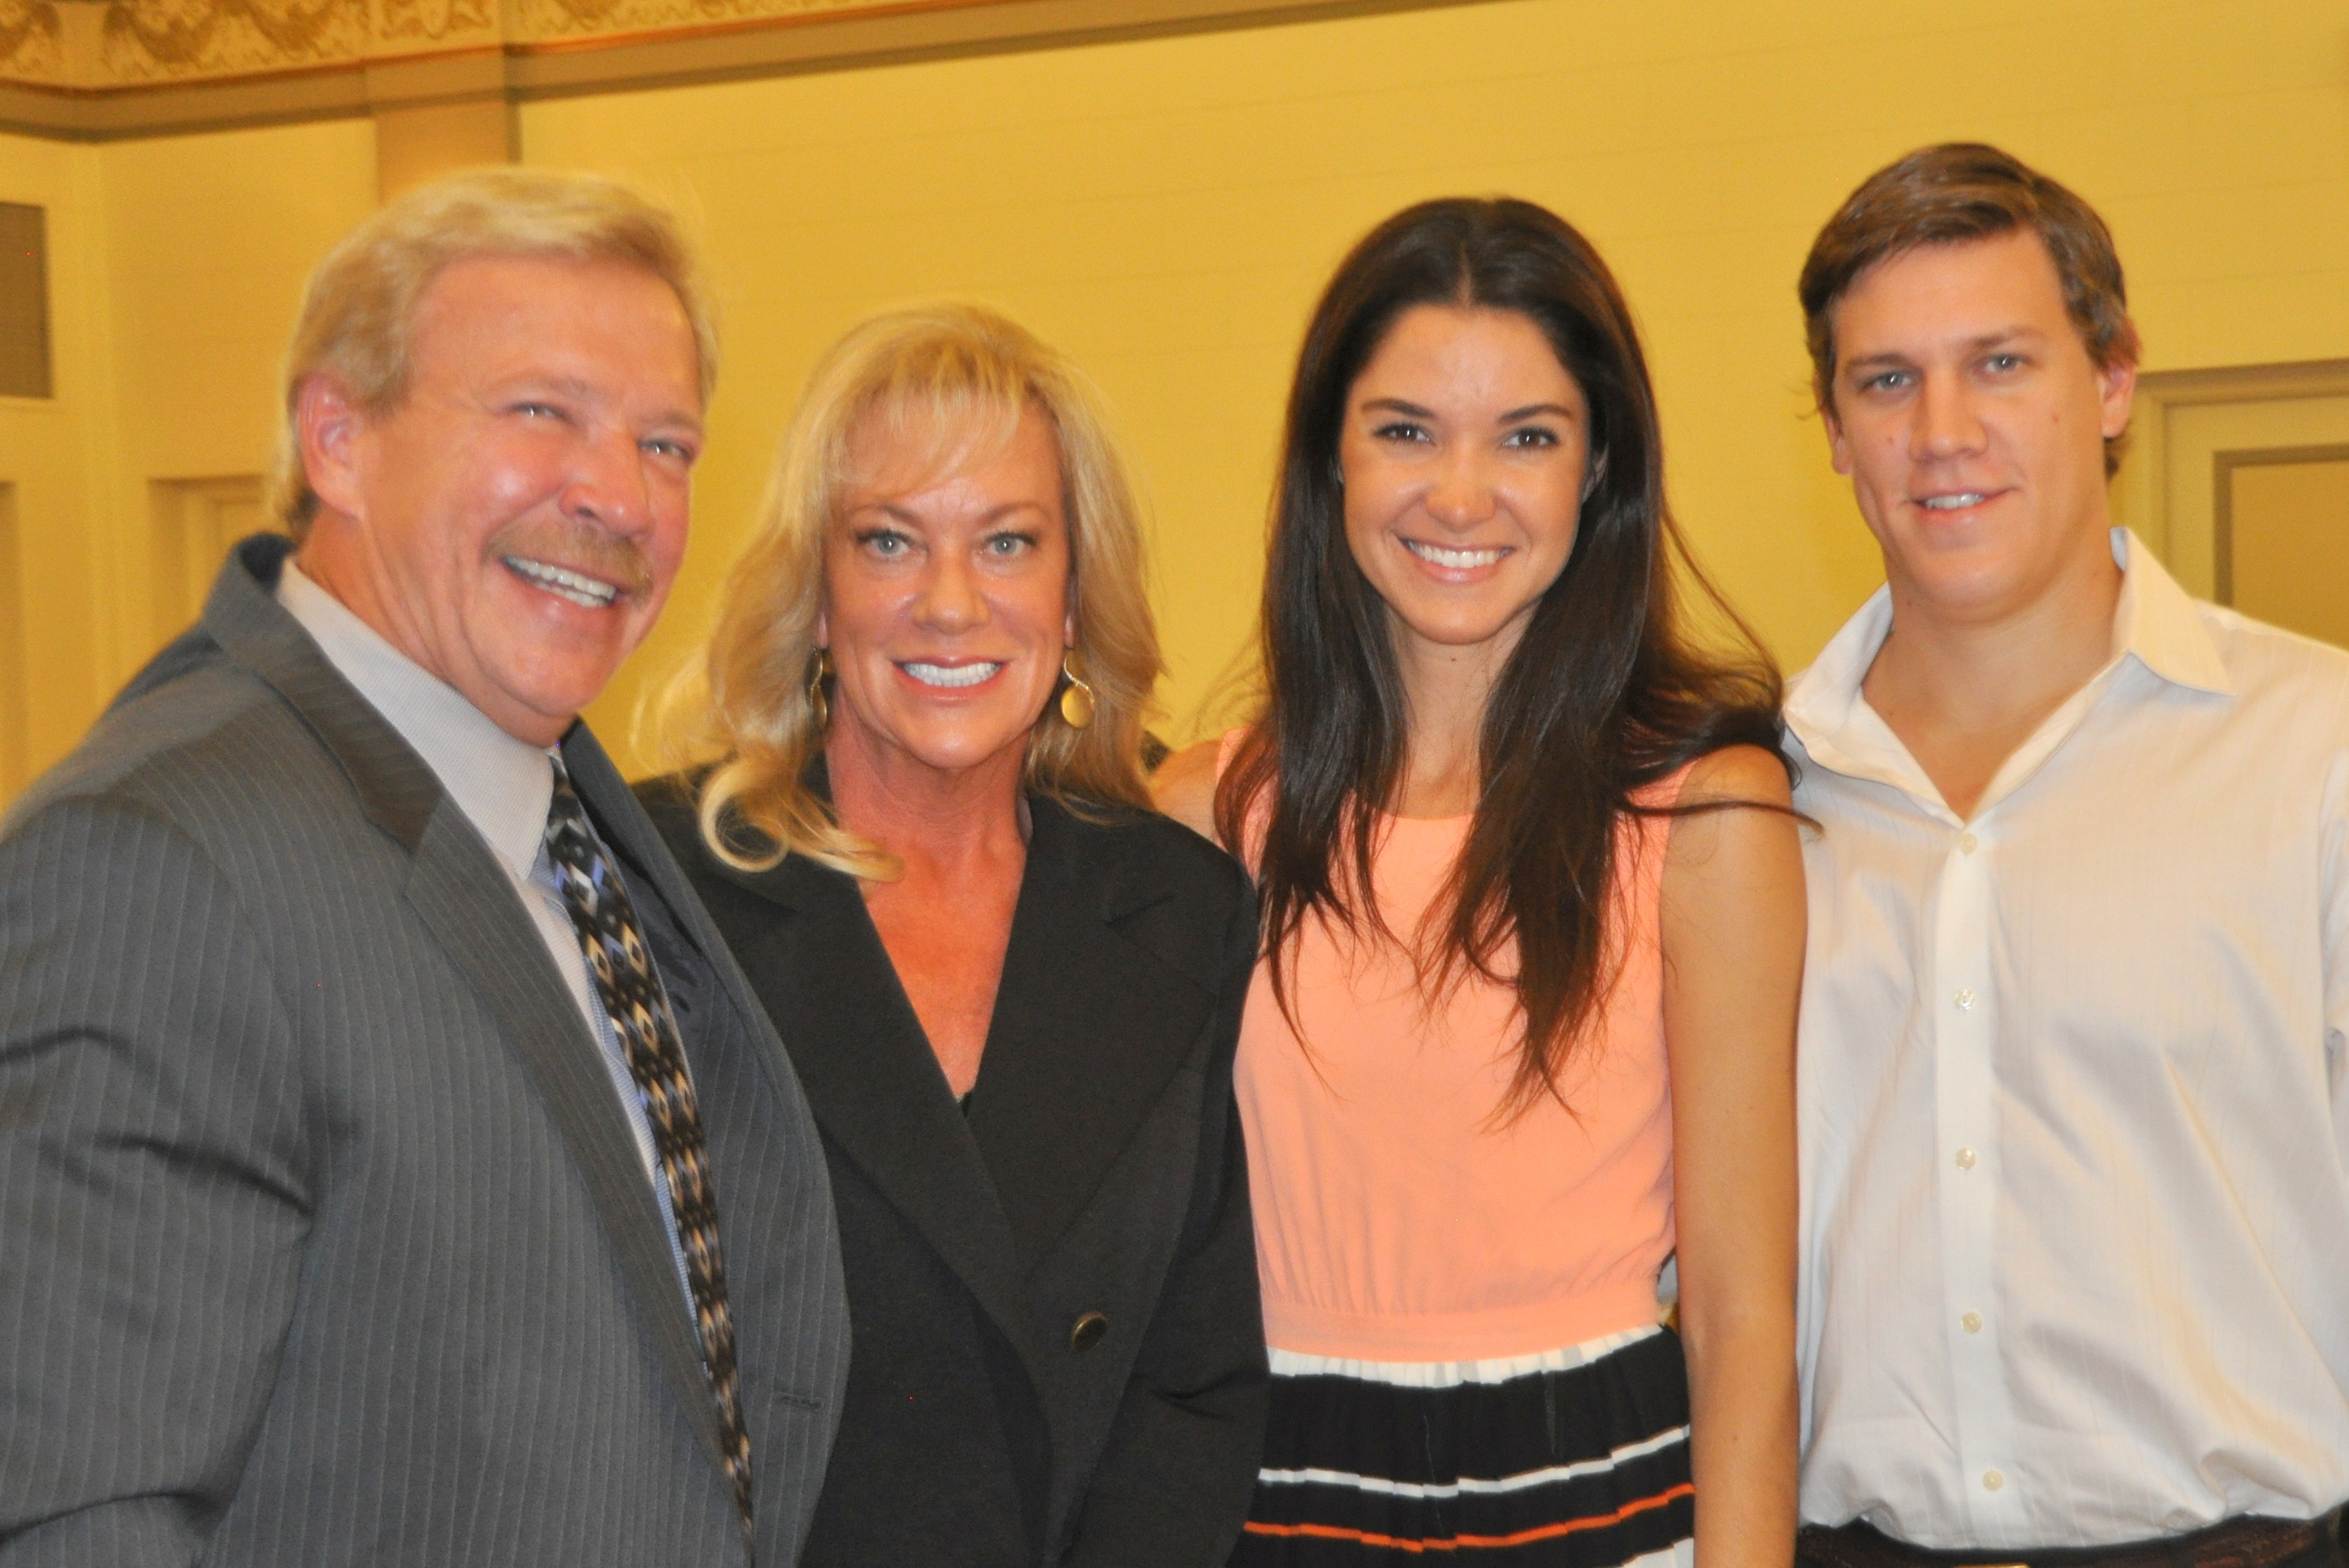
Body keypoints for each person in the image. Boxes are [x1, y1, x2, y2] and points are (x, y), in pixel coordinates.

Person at [0, 169, 848, 1566]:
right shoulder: (157, 858)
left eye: (665, 444)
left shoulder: (570, 825)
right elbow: (79, 1513)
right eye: (541, 412)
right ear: (338, 440)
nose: (619, 495)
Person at [1156, 197, 1803, 1567]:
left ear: (1599, 466)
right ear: (1328, 457)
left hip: (1601, 1499)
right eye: (1405, 431)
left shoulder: (1704, 816)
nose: (1461, 495)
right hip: (1271, 1496)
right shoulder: (1210, 814)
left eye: (1526, 436)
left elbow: (1742, 1313)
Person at [1788, 143, 2349, 1568]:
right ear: (1836, 430)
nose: (1943, 431)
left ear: (2110, 381)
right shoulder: (1753, 796)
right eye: (1886, 380)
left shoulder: (2314, 747)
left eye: (2000, 363)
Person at [640, 302, 1267, 1567]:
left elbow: (1196, 1382)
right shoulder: (663, 888)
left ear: (1073, 596)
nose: (948, 602)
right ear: (819, 596)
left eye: (1007, 542)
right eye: (888, 540)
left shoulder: (1179, 908)